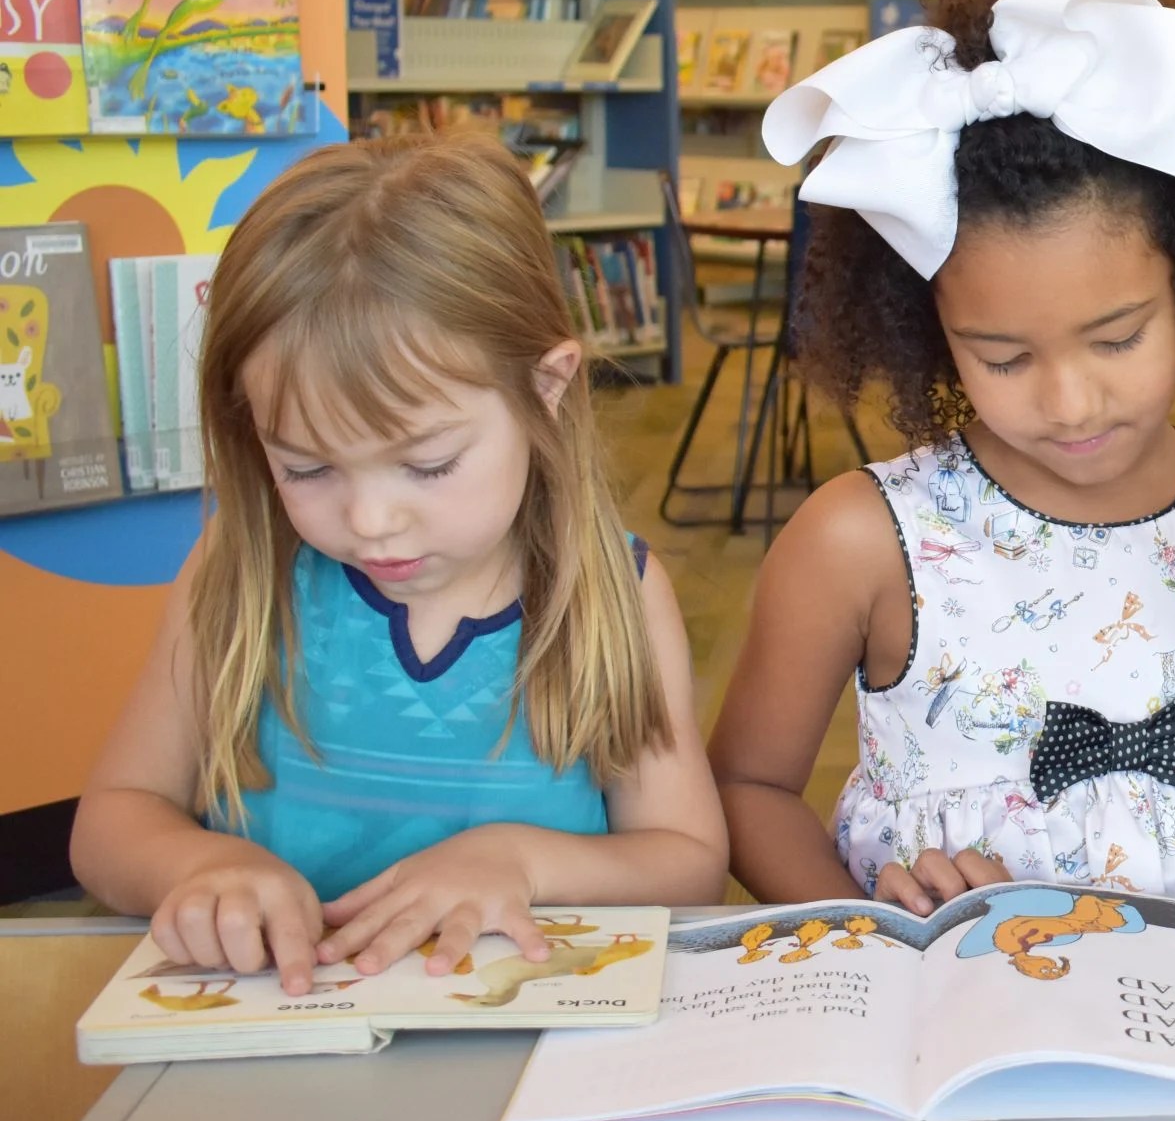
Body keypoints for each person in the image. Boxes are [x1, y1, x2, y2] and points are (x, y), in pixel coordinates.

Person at [709, 0, 1175, 914]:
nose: (1070, 403)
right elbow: (746, 787)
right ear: (927, 329)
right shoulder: (860, 540)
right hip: (938, 991)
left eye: (1117, 339)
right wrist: (878, 926)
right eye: (1002, 358)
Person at [72, 136, 726, 995]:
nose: (371, 521)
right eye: (307, 467)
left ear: (547, 385)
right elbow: (111, 819)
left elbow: (689, 863)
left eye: (427, 464)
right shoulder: (238, 571)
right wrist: (198, 866)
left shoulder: (618, 595)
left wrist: (520, 860)